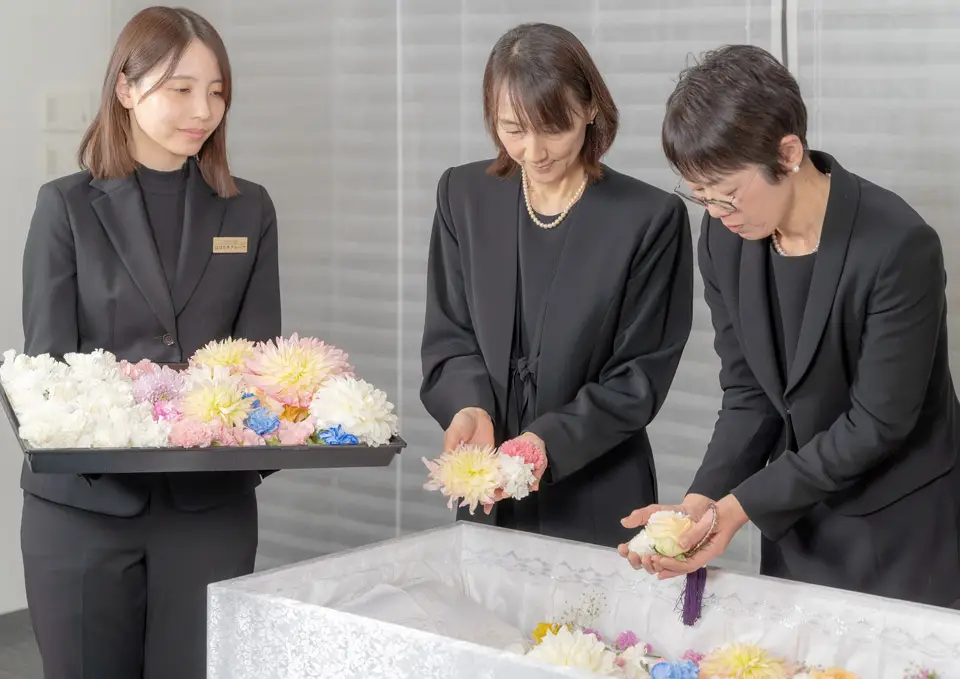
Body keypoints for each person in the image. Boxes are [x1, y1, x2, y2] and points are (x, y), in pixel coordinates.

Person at [619, 44, 960, 608]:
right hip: (796, 514)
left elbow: (877, 423)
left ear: (788, 152)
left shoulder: (898, 247)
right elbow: (750, 392)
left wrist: (737, 507)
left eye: (727, 194)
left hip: (902, 529)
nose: (716, 214)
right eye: (699, 197)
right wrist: (701, 503)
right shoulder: (725, 238)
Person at [19, 7, 281, 678]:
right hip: (85, 509)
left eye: (217, 90)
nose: (203, 109)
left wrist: (245, 454)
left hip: (208, 511)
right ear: (126, 89)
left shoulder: (248, 209)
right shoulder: (67, 208)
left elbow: (261, 362)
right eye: (181, 88)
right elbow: (48, 369)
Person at [420, 22, 693, 549]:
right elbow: (450, 336)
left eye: (554, 127)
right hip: (489, 488)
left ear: (591, 109)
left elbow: (638, 375)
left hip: (597, 486)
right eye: (512, 128)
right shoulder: (463, 195)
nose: (534, 151)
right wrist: (469, 407)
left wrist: (545, 443)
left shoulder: (649, 218)